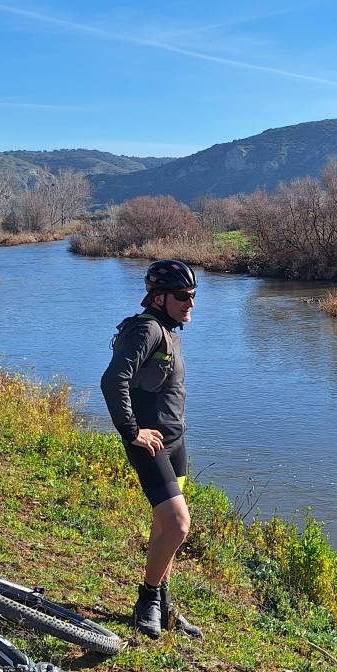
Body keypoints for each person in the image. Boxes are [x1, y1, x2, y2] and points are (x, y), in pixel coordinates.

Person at [100, 258, 203, 640]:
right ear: (159, 297)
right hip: (151, 443)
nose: (190, 303)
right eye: (182, 296)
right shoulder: (145, 330)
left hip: (175, 443)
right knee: (178, 525)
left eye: (192, 295)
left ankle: (164, 605)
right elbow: (113, 380)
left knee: (164, 527)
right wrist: (132, 432)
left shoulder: (169, 331)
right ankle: (147, 599)